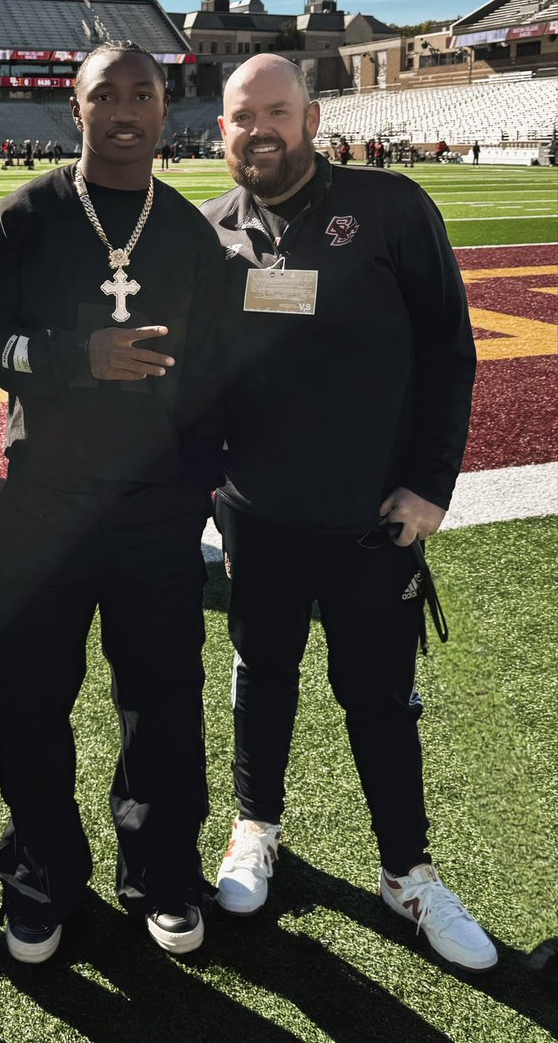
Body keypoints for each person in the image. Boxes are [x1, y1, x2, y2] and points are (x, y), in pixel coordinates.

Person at [200, 55, 498, 973]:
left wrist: (431, 485)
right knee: (262, 673)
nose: (259, 128)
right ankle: (255, 828)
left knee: (378, 698)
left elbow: (448, 352)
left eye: (276, 110)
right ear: (222, 128)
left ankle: (406, 871)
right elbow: (198, 379)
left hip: (373, 517)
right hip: (258, 516)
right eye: (242, 115)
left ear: (312, 118)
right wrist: (206, 489)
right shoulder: (208, 230)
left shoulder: (390, 205)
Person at [0, 41, 224, 963]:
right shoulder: (25, 216)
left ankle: (161, 870)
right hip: (47, 500)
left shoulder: (188, 232)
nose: (123, 110)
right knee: (32, 696)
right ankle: (40, 876)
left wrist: (202, 486)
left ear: (164, 109)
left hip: (157, 506)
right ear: (73, 108)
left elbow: (216, 371)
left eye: (141, 94)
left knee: (163, 697)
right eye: (103, 94)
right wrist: (77, 359)